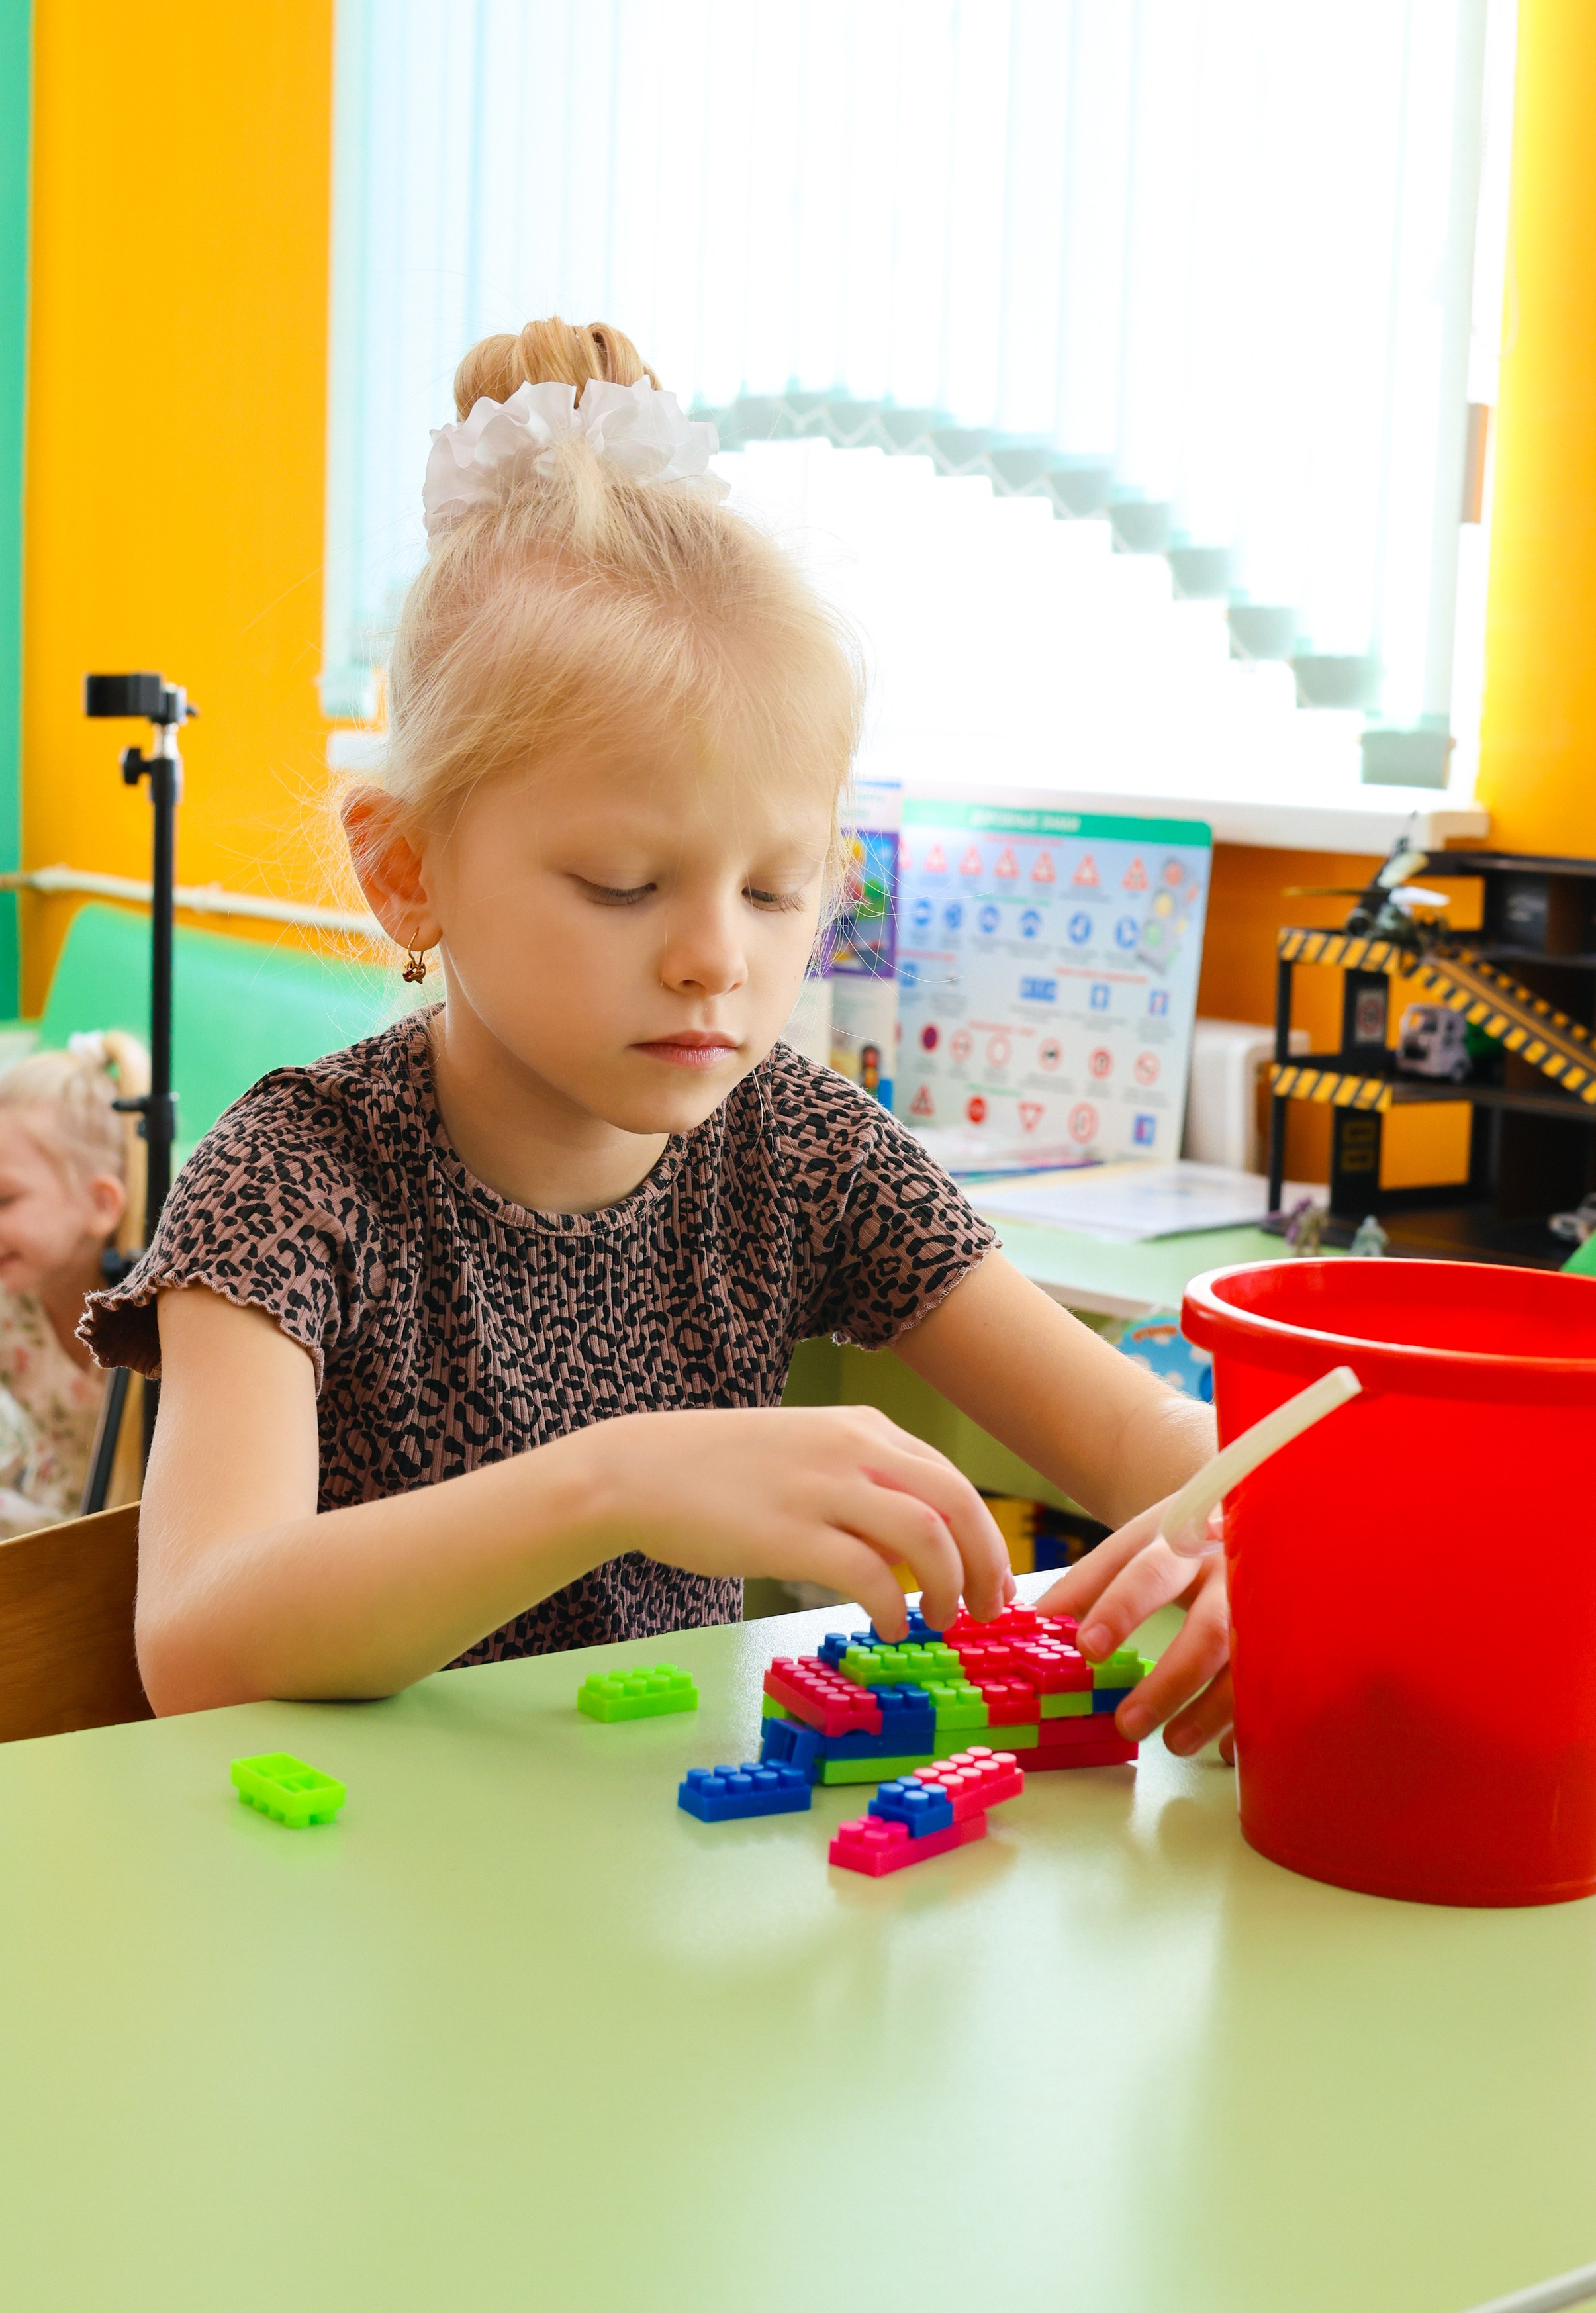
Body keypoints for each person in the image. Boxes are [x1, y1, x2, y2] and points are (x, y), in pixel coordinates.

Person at [87, 316, 1227, 1758]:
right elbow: (199, 1638)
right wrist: (613, 1482)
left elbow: (1149, 1444)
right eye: (624, 886)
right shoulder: (295, 1174)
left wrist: (1233, 1530)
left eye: (775, 890)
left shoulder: (800, 1146)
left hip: (669, 1862)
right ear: (407, 871)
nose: (716, 959)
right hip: (348, 1872)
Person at [0, 1033, 146, 1533]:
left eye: (5, 1200)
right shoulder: (11, 1302)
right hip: (46, 1522)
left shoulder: (161, 1325)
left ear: (101, 1204)